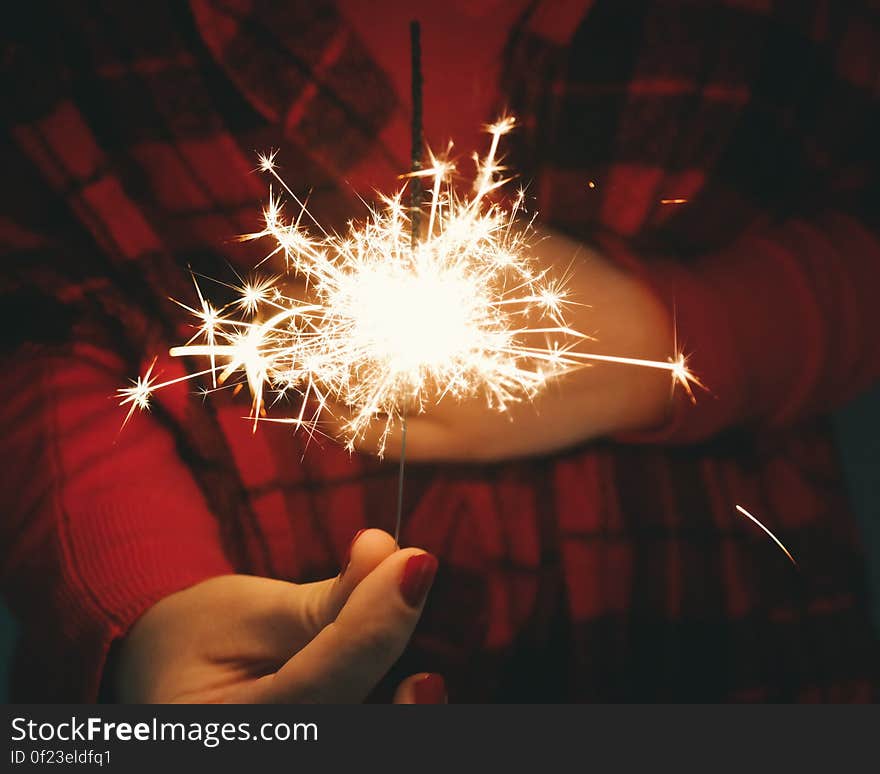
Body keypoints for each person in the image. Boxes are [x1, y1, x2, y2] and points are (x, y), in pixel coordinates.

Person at [1, 0, 878, 702]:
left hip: (724, 652)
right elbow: (34, 319)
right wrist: (145, 612)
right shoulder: (79, 40)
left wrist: (672, 340)